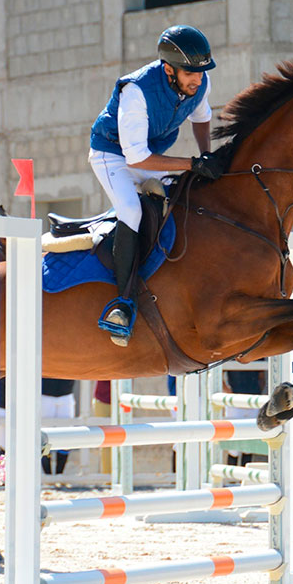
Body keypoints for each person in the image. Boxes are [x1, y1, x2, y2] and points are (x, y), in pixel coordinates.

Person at [88, 24, 222, 347]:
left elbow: (201, 117)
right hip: (113, 156)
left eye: (201, 72)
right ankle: (122, 304)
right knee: (132, 211)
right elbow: (135, 159)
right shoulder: (136, 91)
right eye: (190, 73)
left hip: (151, 157)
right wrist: (191, 163)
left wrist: (205, 157)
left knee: (191, 190)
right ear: (168, 69)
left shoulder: (198, 85)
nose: (198, 79)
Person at [41, 378, 76, 475]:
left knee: (67, 437)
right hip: (45, 393)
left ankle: (59, 473)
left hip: (66, 393)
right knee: (45, 439)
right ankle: (47, 474)